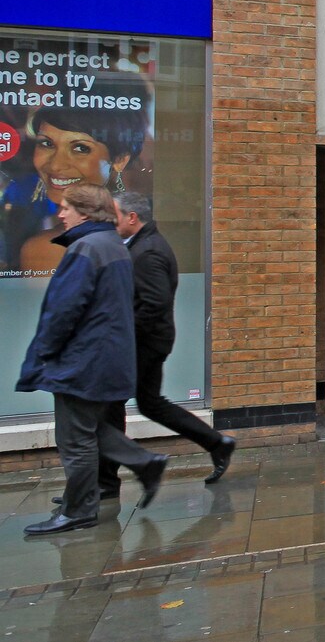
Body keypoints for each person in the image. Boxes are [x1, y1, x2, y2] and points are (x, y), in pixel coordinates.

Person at [15, 183, 166, 536]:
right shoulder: (111, 244)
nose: (60, 214)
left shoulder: (86, 248)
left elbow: (64, 309)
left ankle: (79, 510)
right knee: (90, 427)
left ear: (85, 212)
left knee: (75, 438)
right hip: (103, 354)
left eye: (67, 208)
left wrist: (45, 352)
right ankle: (142, 464)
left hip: (84, 358)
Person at [114, 193, 236, 484]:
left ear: (132, 217)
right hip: (149, 341)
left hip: (145, 343)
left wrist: (125, 336)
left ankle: (110, 478)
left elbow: (154, 303)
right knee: (148, 403)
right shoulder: (143, 245)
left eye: (114, 215)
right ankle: (216, 443)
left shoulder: (148, 251)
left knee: (112, 405)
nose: (110, 222)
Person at [14, 83, 150, 274]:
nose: (56, 165)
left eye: (80, 148)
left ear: (120, 160)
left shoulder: (49, 249)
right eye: (47, 144)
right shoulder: (140, 233)